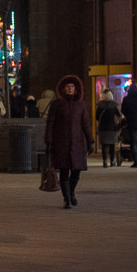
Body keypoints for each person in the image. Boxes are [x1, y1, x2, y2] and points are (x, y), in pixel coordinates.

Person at [46, 75, 93, 208]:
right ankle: (67, 199)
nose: (70, 89)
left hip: (77, 143)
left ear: (76, 88)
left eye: (72, 86)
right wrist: (49, 141)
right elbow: (50, 123)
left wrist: (90, 140)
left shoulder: (81, 104)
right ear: (63, 88)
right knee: (64, 171)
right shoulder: (57, 105)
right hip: (62, 143)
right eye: (68, 86)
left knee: (76, 172)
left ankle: (71, 192)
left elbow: (85, 124)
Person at [95, 89, 122, 168]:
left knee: (104, 145)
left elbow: (97, 117)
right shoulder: (113, 106)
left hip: (103, 128)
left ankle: (105, 161)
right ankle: (112, 161)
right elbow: (119, 115)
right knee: (112, 145)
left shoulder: (100, 106)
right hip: (112, 127)